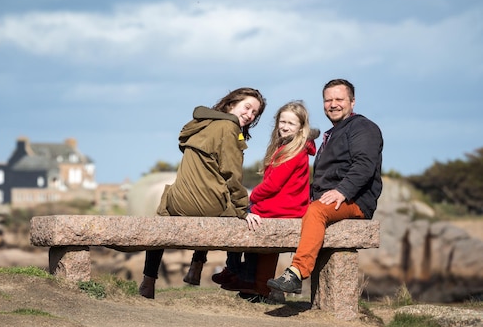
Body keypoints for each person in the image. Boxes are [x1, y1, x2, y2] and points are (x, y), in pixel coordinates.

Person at [139, 87, 267, 299]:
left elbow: (183, 145)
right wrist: (244, 210)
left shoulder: (200, 123)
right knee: (227, 203)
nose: (250, 115)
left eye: (255, 113)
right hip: (207, 205)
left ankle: (148, 281)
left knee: (163, 212)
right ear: (231, 104)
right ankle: (212, 269)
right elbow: (232, 175)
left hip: (178, 202)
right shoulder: (230, 127)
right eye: (247, 107)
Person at [267, 78, 383, 294]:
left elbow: (365, 165)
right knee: (274, 212)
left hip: (354, 201)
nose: (333, 104)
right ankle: (260, 287)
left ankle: (296, 273)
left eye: (339, 99)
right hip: (327, 199)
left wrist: (342, 191)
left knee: (316, 211)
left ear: (352, 102)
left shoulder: (363, 128)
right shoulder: (333, 133)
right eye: (328, 100)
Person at [212, 101, 319, 300]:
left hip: (285, 207)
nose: (285, 126)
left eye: (291, 124)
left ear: (301, 128)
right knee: (246, 215)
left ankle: (236, 271)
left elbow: (272, 185)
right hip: (283, 204)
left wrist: (249, 198)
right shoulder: (289, 147)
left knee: (238, 215)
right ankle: (244, 276)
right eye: (282, 121)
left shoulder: (294, 151)